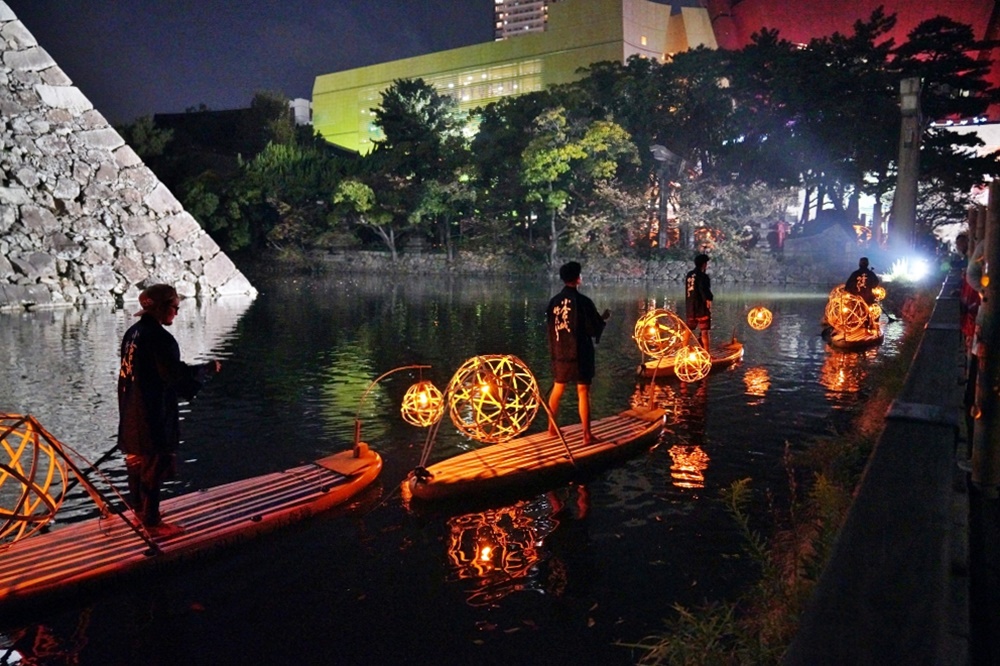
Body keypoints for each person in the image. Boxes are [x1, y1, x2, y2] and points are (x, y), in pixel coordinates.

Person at [117, 284, 220, 536]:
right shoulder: (160, 338)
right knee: (153, 465)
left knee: (136, 463)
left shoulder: (133, 333)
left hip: (131, 409)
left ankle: (140, 511)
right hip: (151, 413)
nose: (176, 312)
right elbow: (174, 376)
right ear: (162, 307)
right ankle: (152, 523)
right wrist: (205, 370)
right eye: (174, 307)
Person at [546, 261, 610, 445]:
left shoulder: (554, 302)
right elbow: (592, 328)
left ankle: (551, 428)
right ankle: (586, 435)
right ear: (578, 278)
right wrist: (603, 319)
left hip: (560, 352)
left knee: (558, 388)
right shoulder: (583, 302)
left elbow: (551, 328)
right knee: (583, 391)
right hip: (580, 353)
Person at [685, 253, 714, 350]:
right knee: (704, 330)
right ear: (704, 264)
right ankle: (707, 353)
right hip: (701, 307)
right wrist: (708, 299)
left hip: (690, 307)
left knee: (688, 330)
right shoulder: (702, 276)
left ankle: (682, 351)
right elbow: (704, 290)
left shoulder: (689, 275)